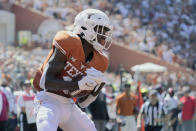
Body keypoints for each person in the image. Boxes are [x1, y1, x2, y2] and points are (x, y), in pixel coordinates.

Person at [33, 8, 113, 131]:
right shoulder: (68, 41)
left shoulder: (101, 60)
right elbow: (46, 82)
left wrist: (96, 88)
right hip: (48, 100)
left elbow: (83, 103)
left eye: (106, 31)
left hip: (69, 105)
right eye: (101, 30)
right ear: (86, 27)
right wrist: (78, 84)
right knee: (46, 127)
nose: (104, 36)